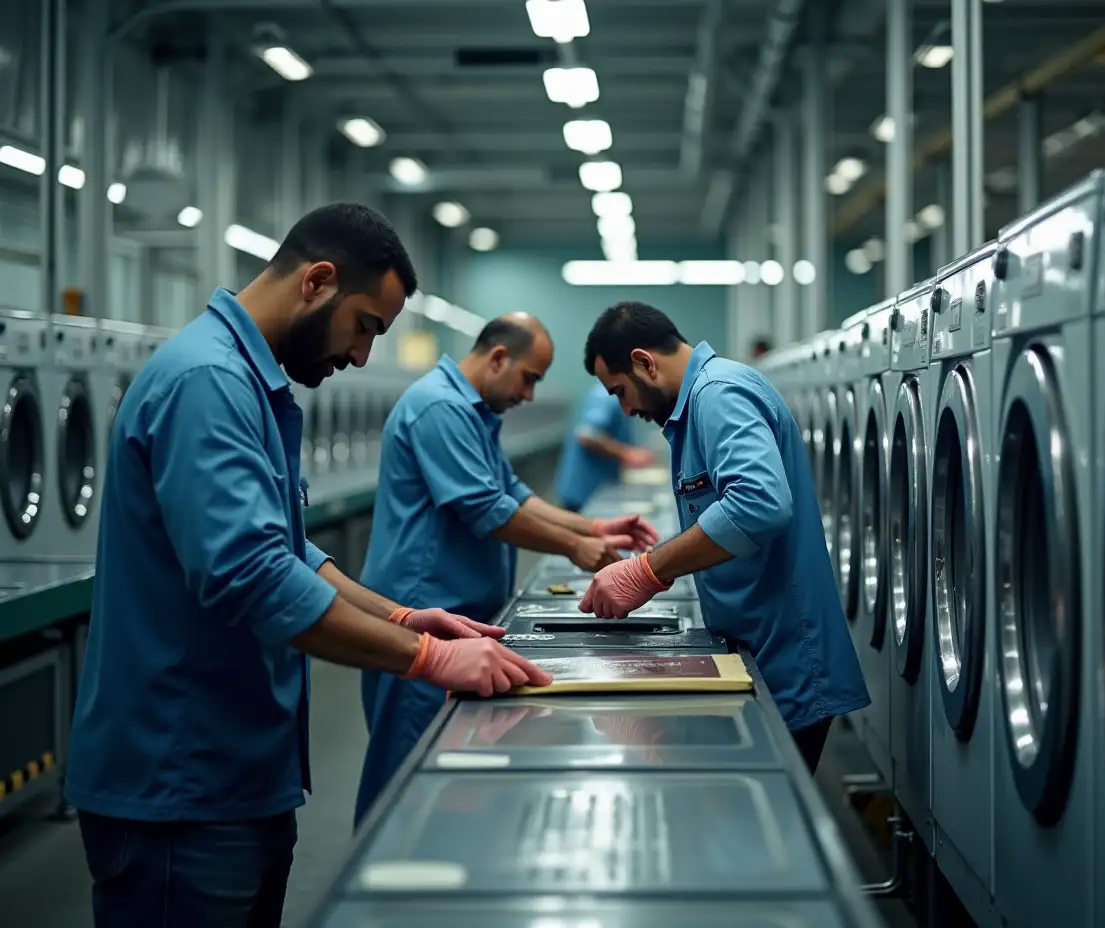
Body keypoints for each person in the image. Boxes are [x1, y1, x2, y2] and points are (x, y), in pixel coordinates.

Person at [64, 203, 551, 928]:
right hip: (182, 778)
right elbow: (252, 575)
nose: (360, 356)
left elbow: (291, 550)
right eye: (365, 327)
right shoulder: (208, 382)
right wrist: (425, 659)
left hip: (240, 773)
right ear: (318, 282)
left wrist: (401, 615)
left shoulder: (251, 386)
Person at [355, 313, 660, 825]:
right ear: (498, 357)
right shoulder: (440, 408)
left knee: (447, 768)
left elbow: (511, 495)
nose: (530, 395)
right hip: (425, 615)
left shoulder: (471, 411)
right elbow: (484, 510)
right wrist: (574, 547)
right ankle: (376, 890)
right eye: (530, 377)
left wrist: (592, 529)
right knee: (408, 777)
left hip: (462, 618)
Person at [577, 301, 869, 772]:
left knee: (765, 823)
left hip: (786, 661)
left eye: (619, 391)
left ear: (644, 362)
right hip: (757, 647)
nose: (626, 409)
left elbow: (760, 505)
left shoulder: (720, 394)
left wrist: (647, 570)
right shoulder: (699, 406)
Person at [553, 380, 658, 511]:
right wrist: (626, 453)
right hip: (584, 494)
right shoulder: (606, 396)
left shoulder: (621, 397)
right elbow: (587, 435)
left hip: (596, 490)